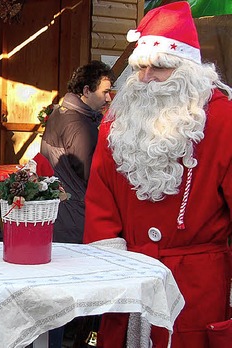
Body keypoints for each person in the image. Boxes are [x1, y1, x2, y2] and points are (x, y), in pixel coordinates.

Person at [83, 2, 232, 347]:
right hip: (129, 278)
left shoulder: (222, 119)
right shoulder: (115, 125)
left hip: (196, 284)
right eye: (141, 68)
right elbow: (100, 202)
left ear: (189, 69)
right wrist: (111, 267)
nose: (147, 79)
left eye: (160, 68)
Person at [41, 60, 115, 244]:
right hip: (75, 213)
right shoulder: (79, 125)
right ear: (87, 91)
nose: (109, 98)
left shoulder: (61, 112)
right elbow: (90, 174)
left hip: (62, 210)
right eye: (105, 92)